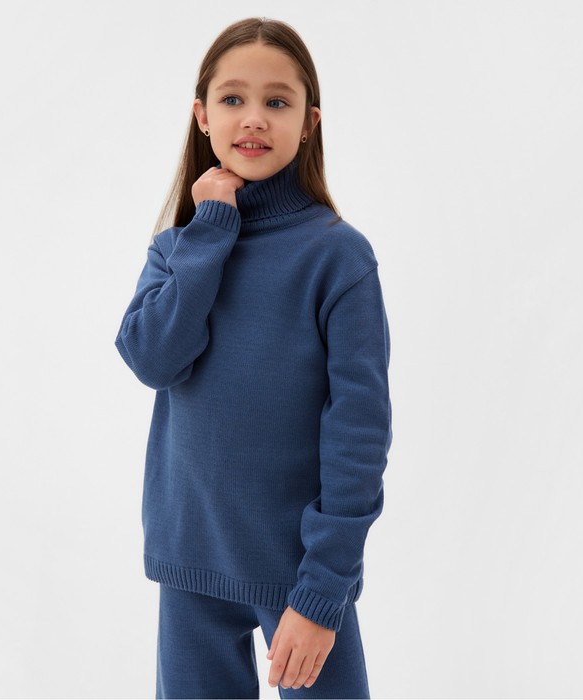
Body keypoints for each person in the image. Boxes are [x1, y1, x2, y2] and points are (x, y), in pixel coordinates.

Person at [114, 16, 393, 699]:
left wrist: (323, 591)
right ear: (202, 117)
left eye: (277, 101)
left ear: (309, 123)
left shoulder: (338, 257)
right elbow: (153, 359)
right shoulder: (179, 248)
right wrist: (211, 230)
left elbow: (358, 435)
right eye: (233, 98)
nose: (254, 118)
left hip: (299, 573)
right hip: (190, 560)